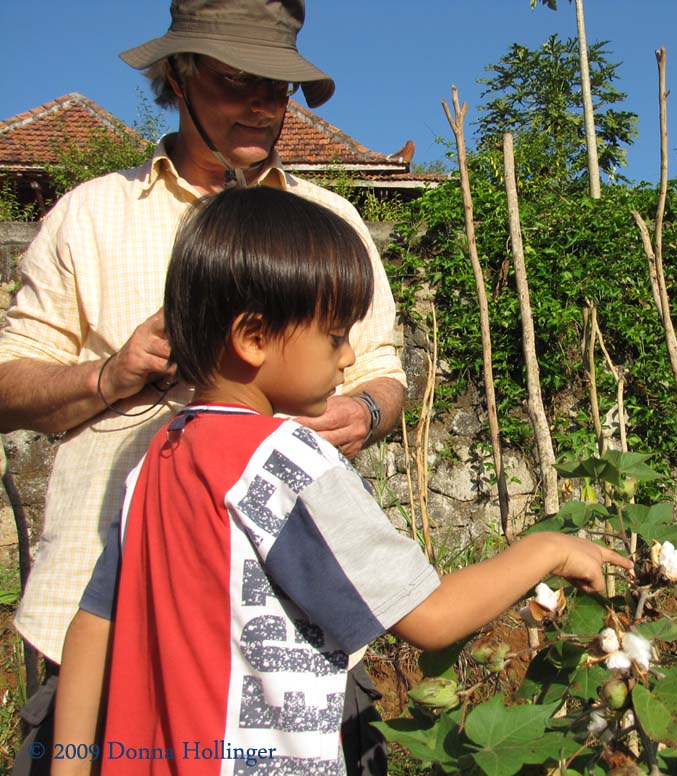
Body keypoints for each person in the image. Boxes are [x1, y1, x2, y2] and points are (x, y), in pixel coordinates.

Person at [51, 187, 634, 775]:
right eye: (335, 335)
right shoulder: (282, 461)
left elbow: (94, 622)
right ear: (253, 338)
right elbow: (428, 619)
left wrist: (70, 765)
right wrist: (549, 548)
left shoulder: (160, 458)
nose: (350, 356)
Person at [2, 2, 404, 774]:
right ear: (179, 77)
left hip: (291, 636)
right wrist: (107, 375)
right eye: (236, 82)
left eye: (278, 88)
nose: (261, 104)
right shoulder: (91, 217)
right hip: (117, 625)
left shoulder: (331, 223)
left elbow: (384, 371)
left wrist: (365, 409)